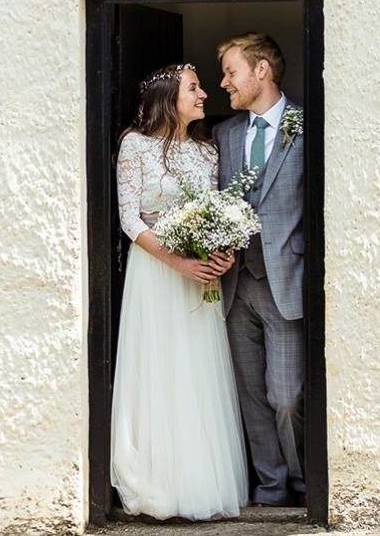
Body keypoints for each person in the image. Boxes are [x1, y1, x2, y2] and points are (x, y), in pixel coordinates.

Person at [110, 63, 248, 520]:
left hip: (200, 280)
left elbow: (216, 213)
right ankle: (160, 479)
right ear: (170, 97)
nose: (205, 93)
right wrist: (177, 261)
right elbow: (130, 219)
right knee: (159, 368)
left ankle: (198, 480)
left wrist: (221, 254)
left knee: (197, 373)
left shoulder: (207, 152)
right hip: (155, 274)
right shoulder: (136, 145)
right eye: (194, 88)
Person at [212, 33, 306, 507]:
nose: (224, 83)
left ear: (261, 70)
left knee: (286, 395)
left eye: (231, 72)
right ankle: (271, 490)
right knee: (250, 395)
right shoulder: (225, 134)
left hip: (285, 283)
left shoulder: (306, 126)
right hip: (234, 285)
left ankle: (305, 484)